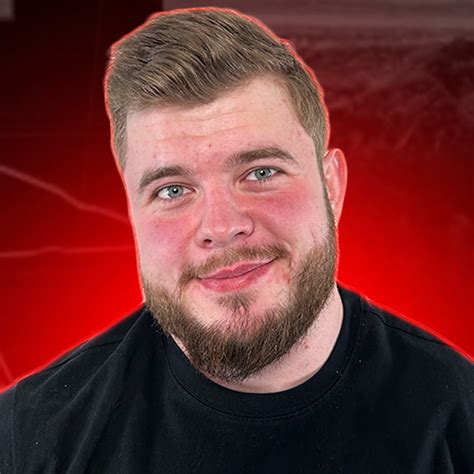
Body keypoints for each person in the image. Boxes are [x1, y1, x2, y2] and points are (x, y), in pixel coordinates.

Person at [0, 7, 472, 473]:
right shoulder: (29, 440)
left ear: (332, 187)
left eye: (261, 173)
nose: (222, 226)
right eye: (172, 190)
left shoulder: (459, 422)